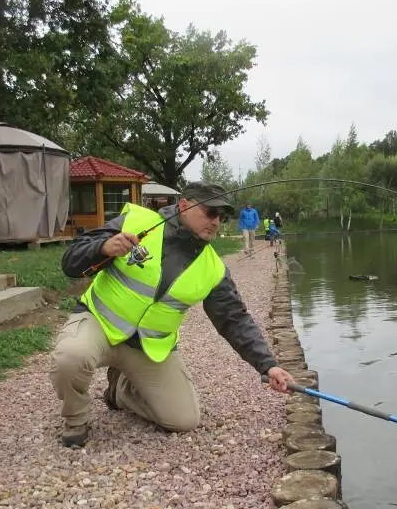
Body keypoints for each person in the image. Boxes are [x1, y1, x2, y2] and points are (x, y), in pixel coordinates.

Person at [50, 182, 295, 447]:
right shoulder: (135, 220)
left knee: (183, 420)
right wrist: (103, 248)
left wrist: (268, 365)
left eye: (221, 217)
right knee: (71, 357)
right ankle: (76, 419)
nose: (216, 222)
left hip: (148, 348)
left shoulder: (213, 268)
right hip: (100, 324)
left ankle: (120, 389)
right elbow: (70, 261)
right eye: (210, 212)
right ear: (184, 206)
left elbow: (234, 319)